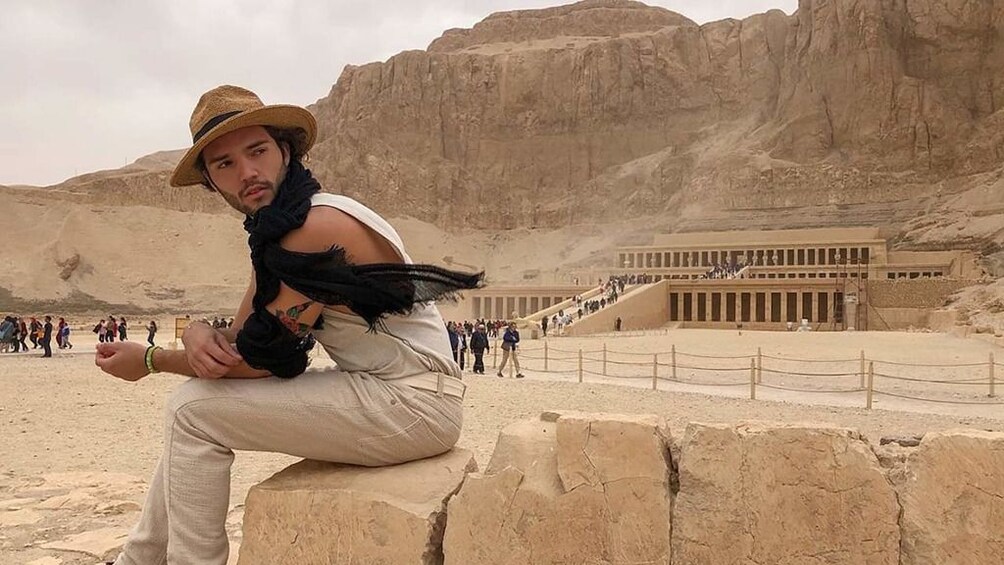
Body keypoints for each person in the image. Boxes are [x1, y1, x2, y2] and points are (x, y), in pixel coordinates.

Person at [93, 85, 481, 565]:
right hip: (393, 393)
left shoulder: (311, 228)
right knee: (193, 410)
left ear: (284, 149)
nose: (246, 173)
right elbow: (241, 337)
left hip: (415, 404)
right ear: (212, 183)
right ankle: (139, 560)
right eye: (224, 164)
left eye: (256, 151)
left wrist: (153, 360)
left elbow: (261, 362)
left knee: (191, 410)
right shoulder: (278, 228)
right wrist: (195, 332)